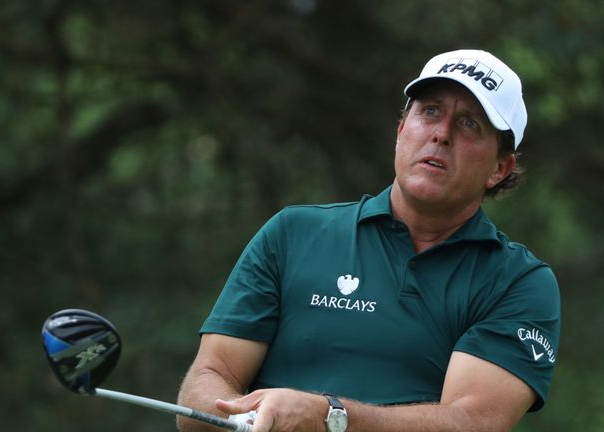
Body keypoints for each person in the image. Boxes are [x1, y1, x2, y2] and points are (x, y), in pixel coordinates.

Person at [177, 49, 561, 432]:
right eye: (429, 111)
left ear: (499, 168)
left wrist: (329, 417)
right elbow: (211, 374)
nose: (441, 134)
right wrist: (241, 417)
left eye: (469, 124)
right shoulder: (293, 233)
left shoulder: (517, 282)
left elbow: (471, 423)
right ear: (401, 129)